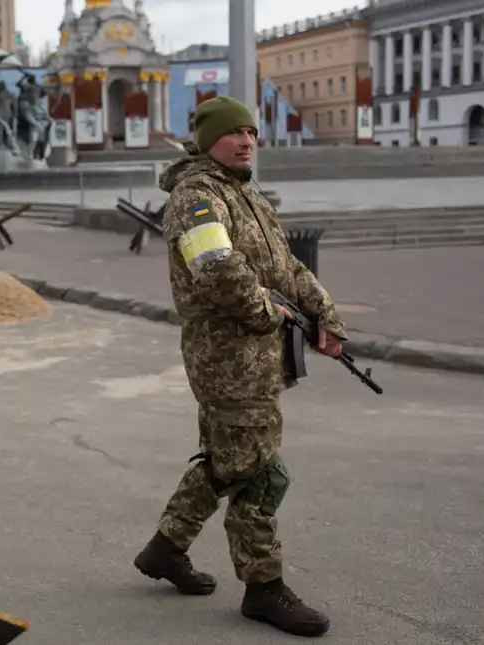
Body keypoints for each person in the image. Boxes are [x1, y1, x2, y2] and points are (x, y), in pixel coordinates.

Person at [133, 96, 346, 638]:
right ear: (208, 142)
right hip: (226, 357)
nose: (247, 140)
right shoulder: (197, 196)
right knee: (259, 470)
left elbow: (286, 264)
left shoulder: (244, 194)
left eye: (251, 132)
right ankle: (263, 587)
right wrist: (265, 312)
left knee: (229, 461)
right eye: (234, 133)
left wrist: (324, 312)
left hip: (254, 357)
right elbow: (217, 268)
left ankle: (165, 548)